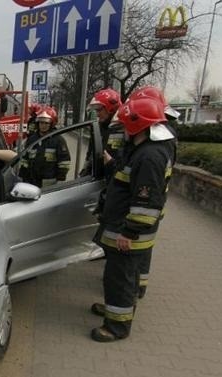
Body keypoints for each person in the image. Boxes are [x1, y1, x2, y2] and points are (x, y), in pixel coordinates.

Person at [90, 97, 175, 342]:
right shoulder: (140, 148)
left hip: (129, 232)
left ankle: (117, 327)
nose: (123, 129)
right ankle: (114, 309)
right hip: (124, 226)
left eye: (126, 124)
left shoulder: (149, 156)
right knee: (118, 277)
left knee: (122, 278)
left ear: (138, 125)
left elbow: (146, 202)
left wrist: (129, 233)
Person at [126, 86, 179, 298]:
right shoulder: (163, 132)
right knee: (142, 249)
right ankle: (137, 286)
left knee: (138, 250)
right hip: (150, 205)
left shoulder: (153, 148)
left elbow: (149, 178)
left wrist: (131, 228)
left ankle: (134, 289)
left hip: (146, 206)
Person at [0, 106, 70, 188]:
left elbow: (64, 162)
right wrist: (22, 177)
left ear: (51, 123)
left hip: (49, 182)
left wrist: (61, 180)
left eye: (46, 123)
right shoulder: (32, 139)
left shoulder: (58, 140)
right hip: (32, 181)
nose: (43, 125)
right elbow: (25, 159)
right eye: (41, 123)